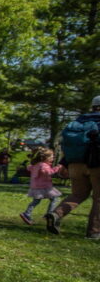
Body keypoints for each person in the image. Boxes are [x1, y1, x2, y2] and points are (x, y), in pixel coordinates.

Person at [46, 96, 100, 238]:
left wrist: (64, 163)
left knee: (78, 194)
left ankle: (56, 214)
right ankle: (94, 232)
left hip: (75, 164)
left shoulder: (79, 121)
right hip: (97, 165)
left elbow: (71, 145)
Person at [19, 147, 62, 226]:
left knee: (36, 201)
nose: (53, 158)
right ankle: (49, 215)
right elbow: (49, 172)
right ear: (45, 158)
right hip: (44, 186)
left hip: (36, 186)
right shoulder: (43, 165)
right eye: (52, 156)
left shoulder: (36, 164)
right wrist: (58, 167)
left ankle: (27, 213)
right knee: (55, 199)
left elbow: (29, 168)